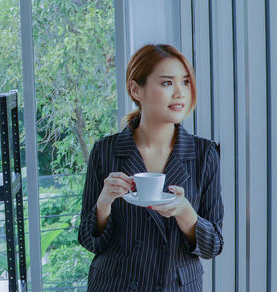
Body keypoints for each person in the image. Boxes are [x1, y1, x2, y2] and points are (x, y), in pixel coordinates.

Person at [78, 44, 224, 291]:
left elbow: (214, 246)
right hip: (115, 285)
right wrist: (103, 204)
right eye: (167, 83)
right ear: (136, 89)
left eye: (185, 82)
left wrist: (185, 213)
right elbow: (88, 240)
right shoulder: (106, 151)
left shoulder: (203, 154)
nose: (180, 93)